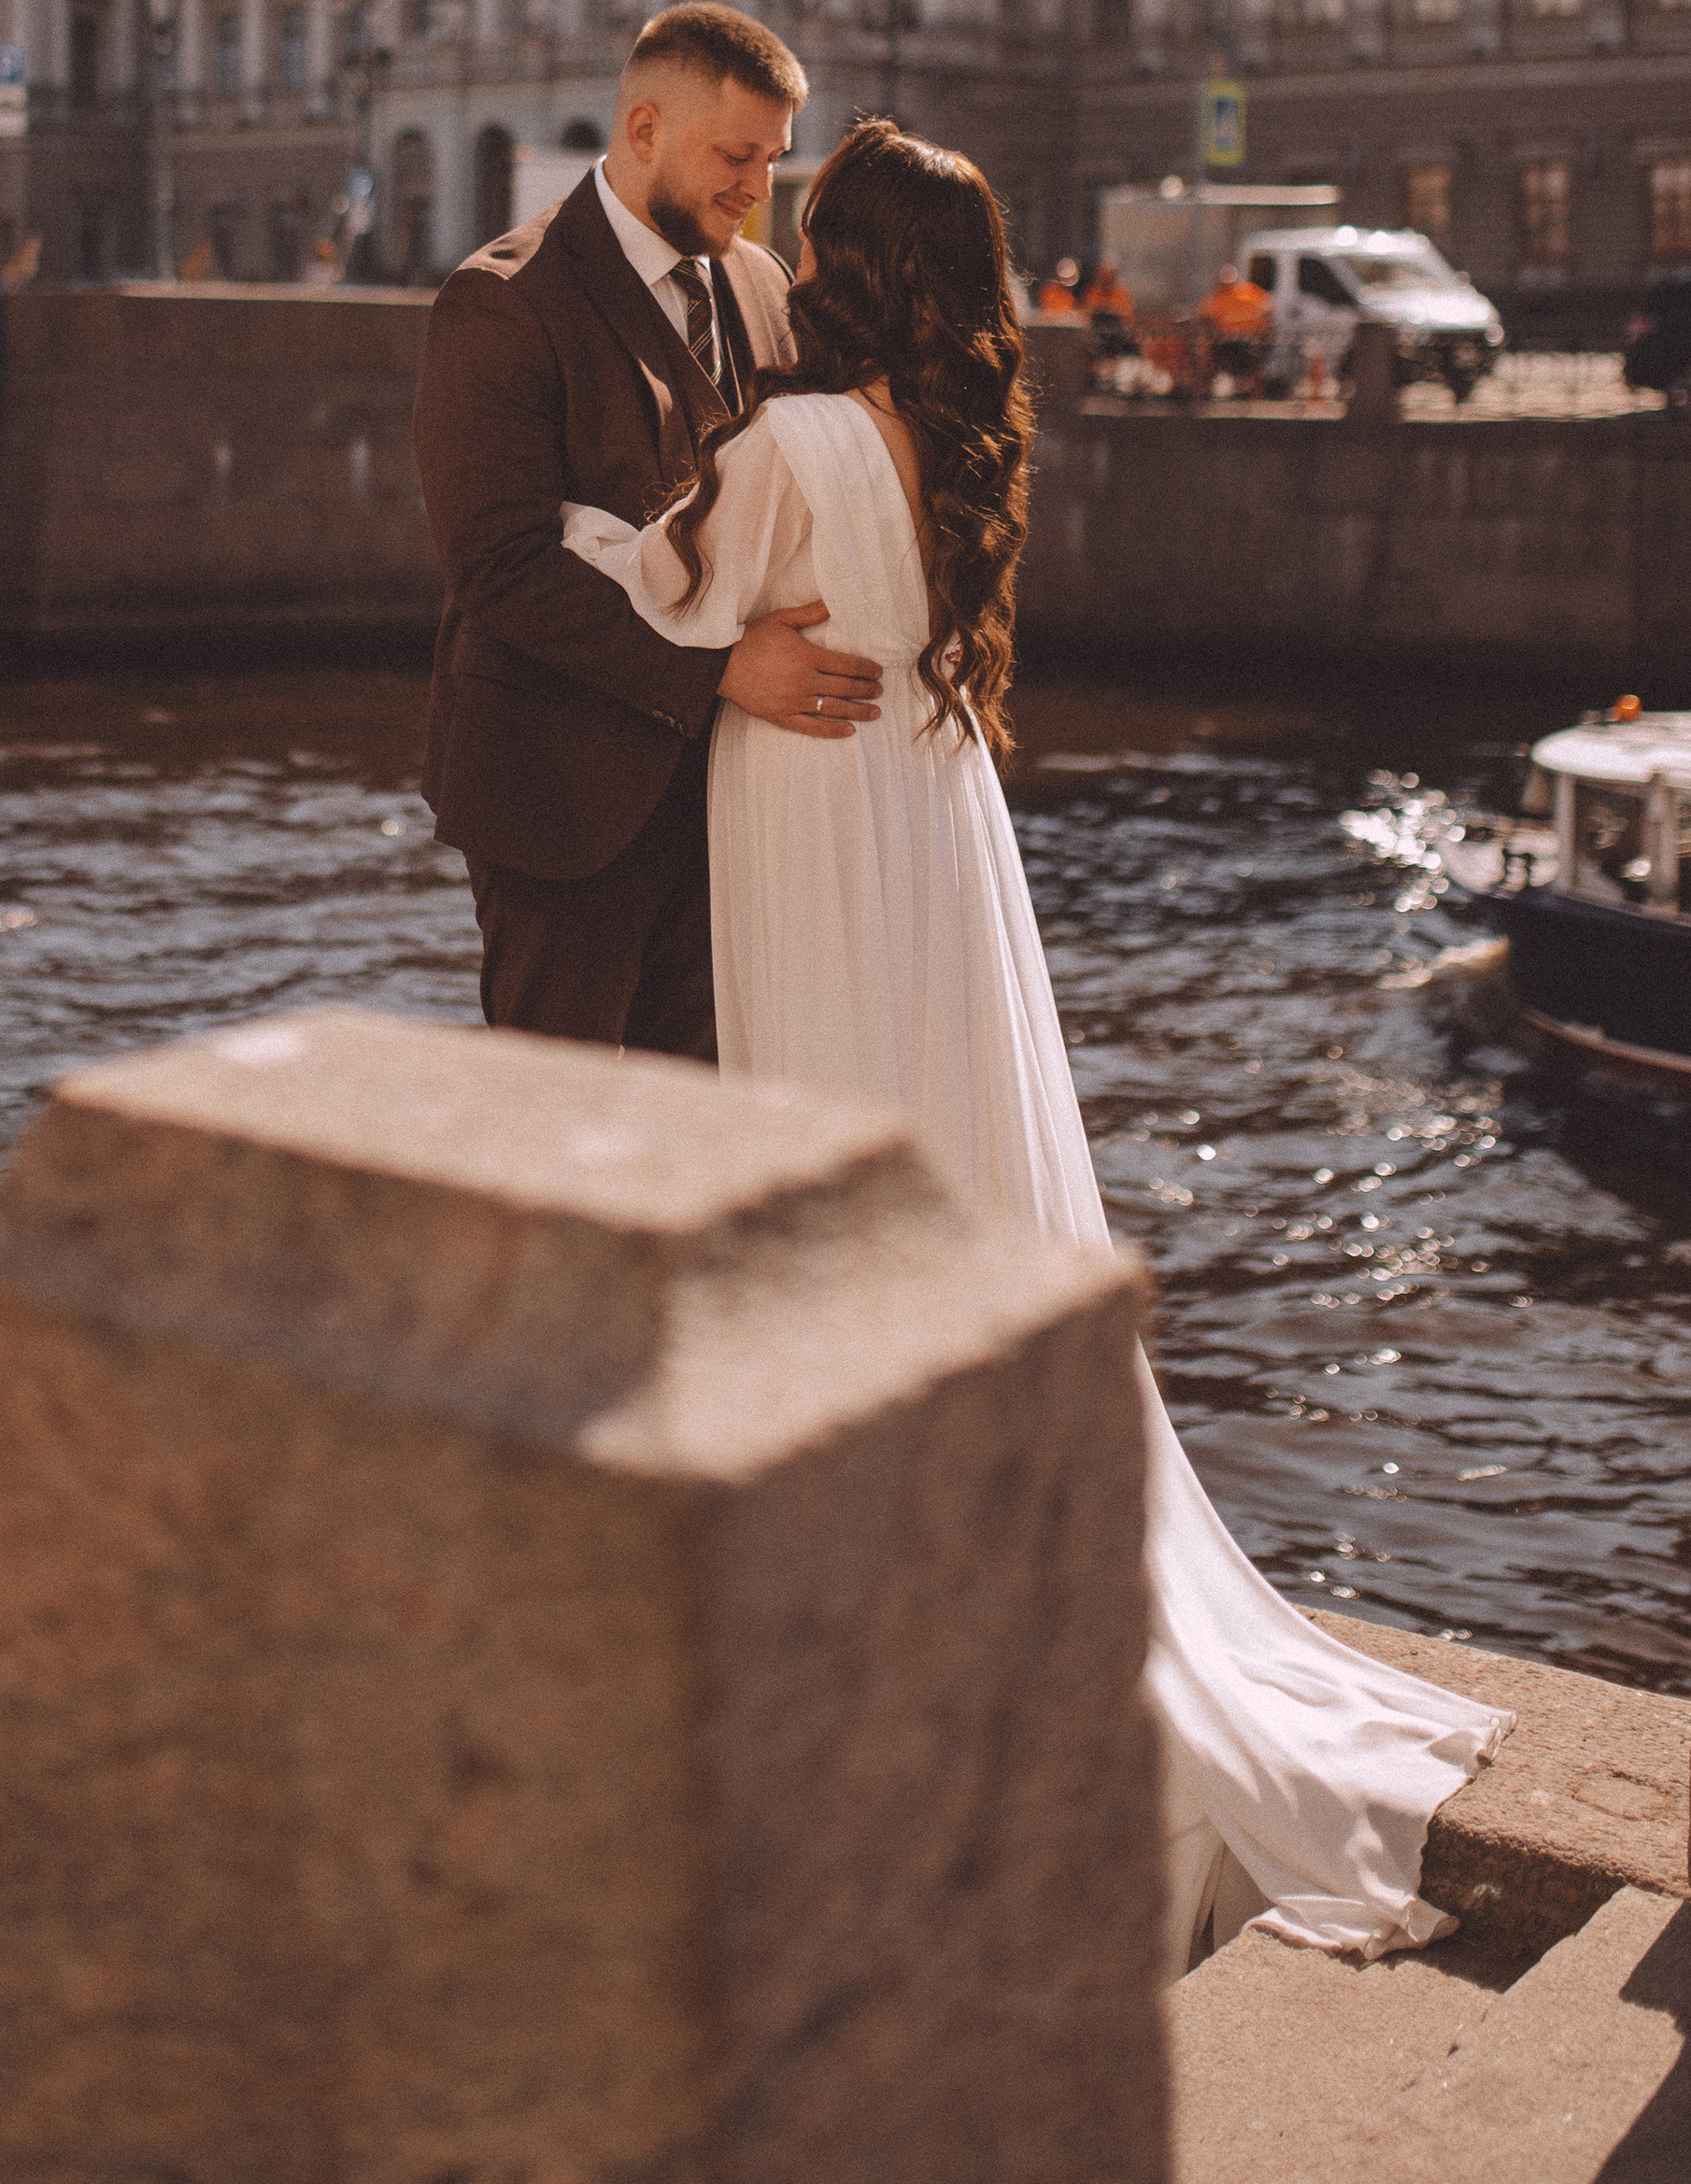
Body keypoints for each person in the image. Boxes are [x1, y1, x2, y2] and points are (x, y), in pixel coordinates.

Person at [555, 119, 1507, 1966]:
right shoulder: (954, 449)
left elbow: (654, 589)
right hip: (927, 821)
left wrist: (585, 525)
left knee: (822, 1164)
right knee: (953, 1162)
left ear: (843, 266)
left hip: (810, 826)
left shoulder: (785, 445)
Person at [412, 4, 885, 1061]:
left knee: (695, 1123)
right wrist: (720, 672)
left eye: (771, 158)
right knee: (556, 1128)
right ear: (641, 130)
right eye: (736, 154)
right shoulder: (500, 300)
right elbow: (499, 568)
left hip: (728, 801)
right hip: (557, 796)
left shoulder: (760, 283)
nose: (759, 188)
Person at [1198, 258, 1272, 393]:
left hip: (1250, 339)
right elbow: (1204, 315)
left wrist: (1263, 327)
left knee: (1255, 362)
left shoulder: (1249, 292)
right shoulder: (1218, 297)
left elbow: (1269, 307)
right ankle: (1206, 390)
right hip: (1226, 341)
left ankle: (1254, 392)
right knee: (1207, 354)